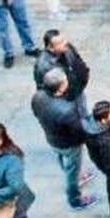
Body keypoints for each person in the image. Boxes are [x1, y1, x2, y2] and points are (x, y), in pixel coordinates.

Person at [31, 67, 98, 210]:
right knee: (72, 170)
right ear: (61, 87)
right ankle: (75, 199)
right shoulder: (66, 110)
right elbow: (79, 130)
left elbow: (36, 114)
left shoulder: (38, 97)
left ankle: (71, 173)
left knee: (62, 158)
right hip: (69, 144)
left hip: (52, 138)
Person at [33, 29, 91, 103]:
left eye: (64, 40)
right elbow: (44, 89)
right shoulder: (43, 66)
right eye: (60, 42)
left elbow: (78, 59)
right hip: (64, 99)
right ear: (50, 48)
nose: (65, 43)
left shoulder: (67, 48)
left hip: (77, 90)